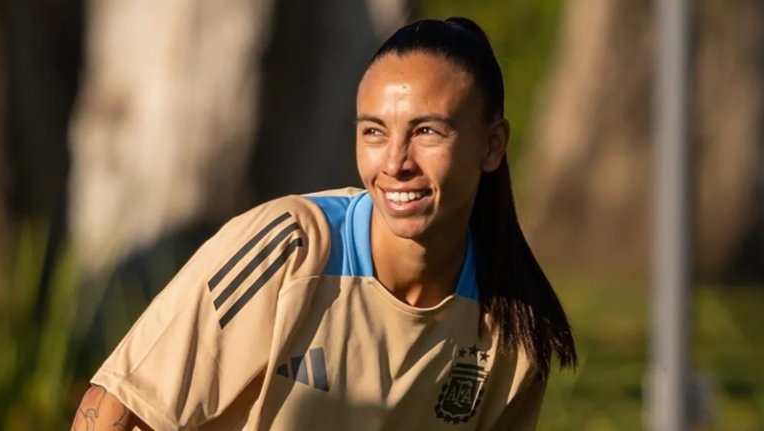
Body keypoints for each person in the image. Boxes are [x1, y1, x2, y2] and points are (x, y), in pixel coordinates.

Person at [70, 17, 576, 431]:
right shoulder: (292, 247)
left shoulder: (512, 330)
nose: (396, 161)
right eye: (374, 132)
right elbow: (113, 408)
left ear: (492, 145)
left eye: (426, 131)